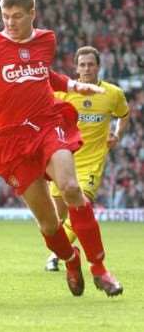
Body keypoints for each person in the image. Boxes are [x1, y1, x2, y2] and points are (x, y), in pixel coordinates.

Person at [0, 0, 123, 297]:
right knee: (48, 224)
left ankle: (99, 268)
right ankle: (71, 260)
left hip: (47, 124)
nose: (11, 23)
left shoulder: (46, 39)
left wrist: (71, 84)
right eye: (5, 16)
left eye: (17, 16)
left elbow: (43, 74)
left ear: (32, 14)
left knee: (71, 188)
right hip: (12, 140)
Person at [45, 46, 130, 271]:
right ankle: (61, 252)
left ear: (98, 66)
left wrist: (117, 135)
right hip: (62, 162)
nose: (86, 68)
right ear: (76, 67)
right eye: (82, 64)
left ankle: (57, 257)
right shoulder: (63, 92)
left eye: (91, 64)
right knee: (57, 219)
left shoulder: (113, 94)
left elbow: (124, 115)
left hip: (91, 163)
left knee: (81, 206)